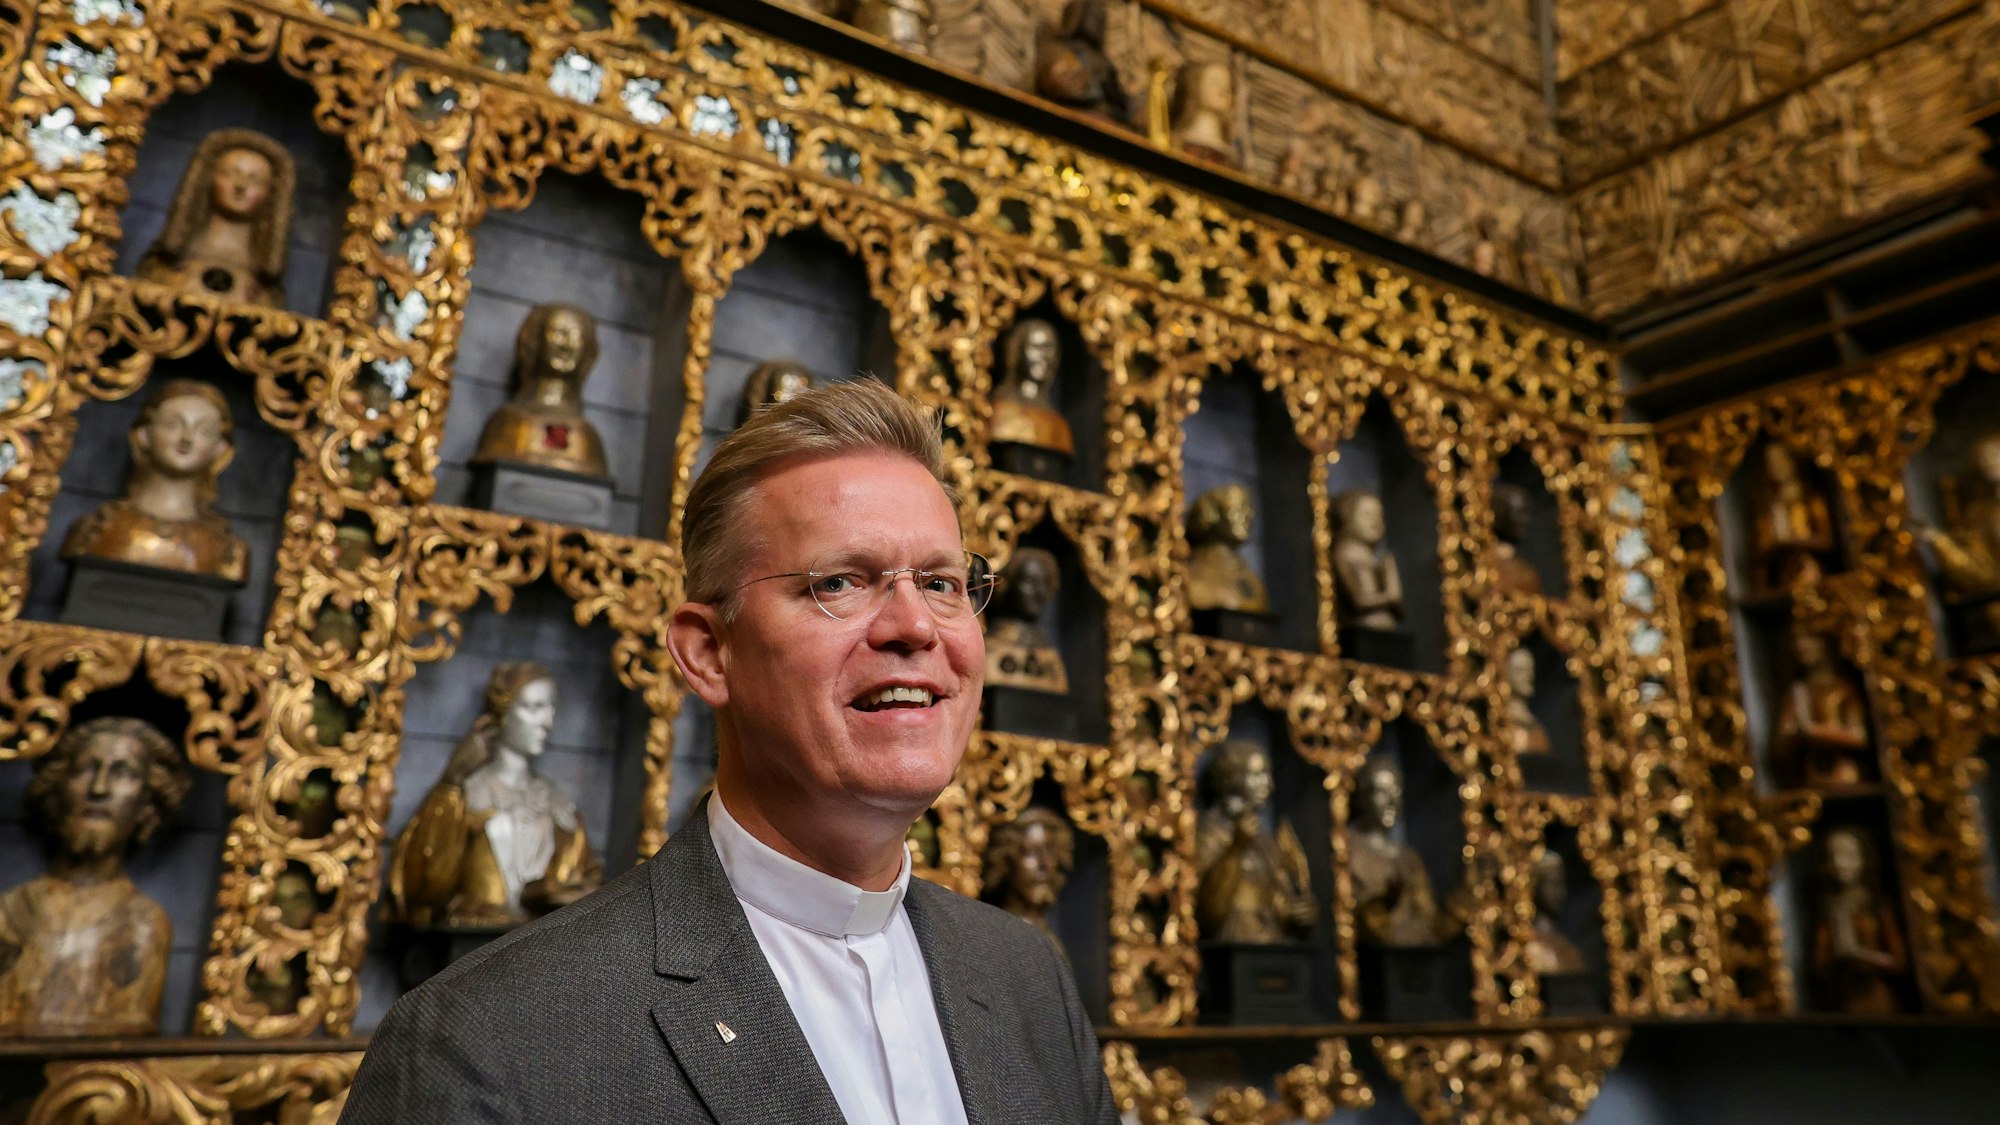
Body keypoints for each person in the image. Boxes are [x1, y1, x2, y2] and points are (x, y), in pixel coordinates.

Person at [344, 378, 1117, 1123]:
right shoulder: (484, 1042)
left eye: (942, 583)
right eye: (841, 582)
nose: (915, 626)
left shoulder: (1029, 980)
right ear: (709, 653)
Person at [0, 716, 191, 1037]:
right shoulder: (7, 911)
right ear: (58, 788)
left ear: (147, 804)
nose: (99, 789)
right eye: (86, 769)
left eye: (123, 773)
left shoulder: (143, 922)